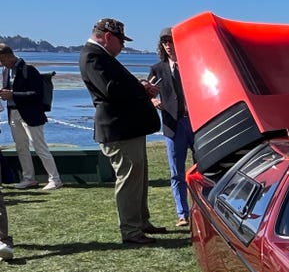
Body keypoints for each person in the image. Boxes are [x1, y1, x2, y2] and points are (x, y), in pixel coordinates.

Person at [78, 18, 164, 246]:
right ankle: (131, 229)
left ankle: (141, 221)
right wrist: (141, 87)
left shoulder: (101, 56)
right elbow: (110, 89)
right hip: (118, 130)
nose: (122, 46)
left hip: (128, 128)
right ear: (107, 37)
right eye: (120, 41)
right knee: (129, 179)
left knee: (139, 178)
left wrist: (139, 86)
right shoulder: (92, 56)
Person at [0, 44, 63, 191]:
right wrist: (5, 94)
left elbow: (37, 94)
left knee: (39, 146)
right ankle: (29, 178)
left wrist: (13, 95)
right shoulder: (5, 71)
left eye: (2, 60)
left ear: (10, 56)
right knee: (21, 147)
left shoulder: (29, 69)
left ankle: (55, 179)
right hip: (13, 113)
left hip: (31, 114)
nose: (1, 63)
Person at [150, 27, 194, 228]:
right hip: (172, 125)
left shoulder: (193, 65)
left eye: (171, 41)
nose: (168, 46)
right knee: (176, 172)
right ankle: (182, 214)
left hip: (196, 123)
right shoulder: (157, 69)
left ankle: (201, 210)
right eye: (165, 42)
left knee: (202, 169)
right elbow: (148, 91)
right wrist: (153, 100)